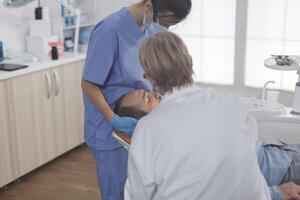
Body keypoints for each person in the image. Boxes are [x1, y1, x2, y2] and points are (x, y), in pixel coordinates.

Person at [124, 31, 271, 199]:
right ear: (191, 62)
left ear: (151, 79)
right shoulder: (233, 103)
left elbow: (137, 195)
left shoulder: (147, 130)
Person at [81, 0, 192, 199]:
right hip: (109, 129)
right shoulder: (109, 31)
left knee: (140, 190)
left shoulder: (148, 30)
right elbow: (89, 84)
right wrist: (113, 119)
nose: (165, 28)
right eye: (164, 22)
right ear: (149, 6)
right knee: (117, 192)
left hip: (140, 126)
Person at [115, 89, 300, 200]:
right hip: (279, 170)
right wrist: (277, 193)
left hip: (278, 153)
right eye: (148, 99)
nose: (156, 94)